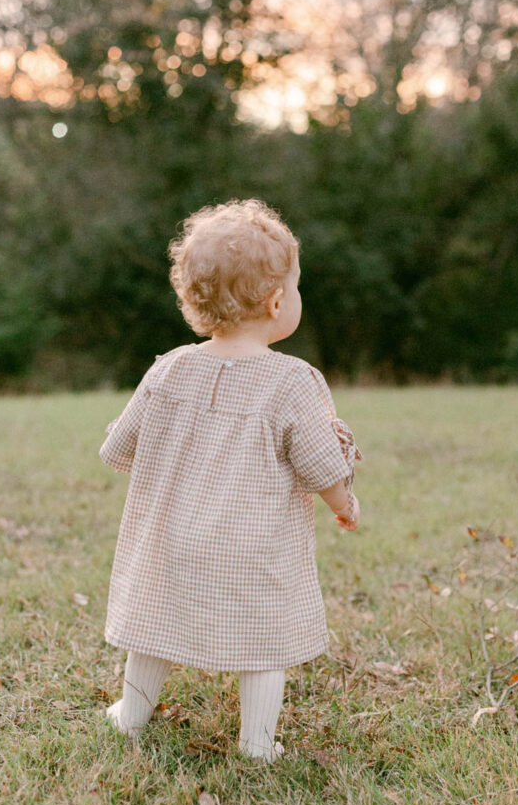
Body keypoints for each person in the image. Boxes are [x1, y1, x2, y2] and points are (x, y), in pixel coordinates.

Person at [99, 198, 361, 762]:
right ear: (274, 301)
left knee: (153, 625)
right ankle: (257, 743)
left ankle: (131, 713)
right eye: (295, 288)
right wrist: (345, 502)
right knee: (263, 645)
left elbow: (118, 447)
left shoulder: (168, 367)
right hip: (251, 547)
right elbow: (321, 465)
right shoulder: (293, 381)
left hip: (169, 539)